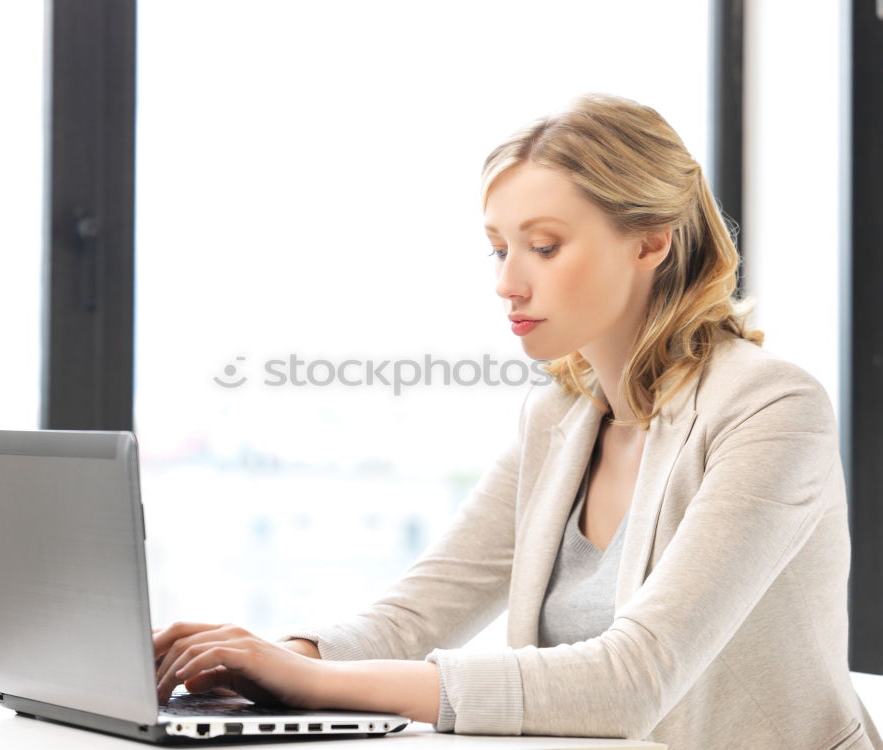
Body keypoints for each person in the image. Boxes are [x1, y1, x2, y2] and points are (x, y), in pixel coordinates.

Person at [152, 92, 882, 749]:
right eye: (498, 249)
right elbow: (415, 618)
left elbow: (634, 678)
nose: (506, 283)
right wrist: (268, 662)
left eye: (543, 247)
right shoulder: (559, 418)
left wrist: (316, 685)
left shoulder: (774, 410)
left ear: (650, 241)